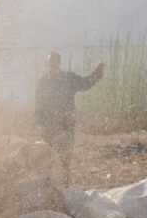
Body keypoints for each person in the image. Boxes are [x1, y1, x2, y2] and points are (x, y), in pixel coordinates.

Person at [34, 51, 104, 185]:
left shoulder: (69, 79)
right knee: (47, 157)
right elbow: (38, 105)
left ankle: (64, 188)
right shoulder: (43, 83)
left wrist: (98, 71)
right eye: (49, 62)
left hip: (66, 126)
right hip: (49, 127)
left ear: (59, 63)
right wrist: (39, 124)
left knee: (64, 158)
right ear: (47, 64)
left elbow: (86, 83)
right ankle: (48, 188)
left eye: (54, 62)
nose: (51, 65)